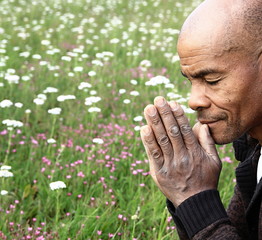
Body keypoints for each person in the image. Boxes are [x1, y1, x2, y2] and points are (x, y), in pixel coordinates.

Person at [140, 0, 262, 239]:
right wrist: (190, 200)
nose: (194, 100)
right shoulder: (254, 145)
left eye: (212, 80)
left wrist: (193, 197)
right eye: (190, 81)